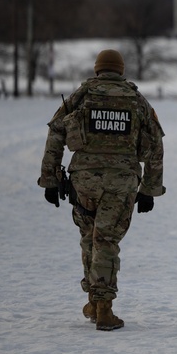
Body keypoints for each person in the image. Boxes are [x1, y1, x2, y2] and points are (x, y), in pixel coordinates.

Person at [39, 49, 165, 331]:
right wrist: (149, 189)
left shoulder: (82, 95)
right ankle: (104, 308)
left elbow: (55, 133)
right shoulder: (135, 98)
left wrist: (49, 178)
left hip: (85, 180)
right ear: (120, 70)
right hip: (122, 181)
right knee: (106, 240)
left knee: (89, 236)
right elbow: (156, 143)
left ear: (97, 70)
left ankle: (94, 300)